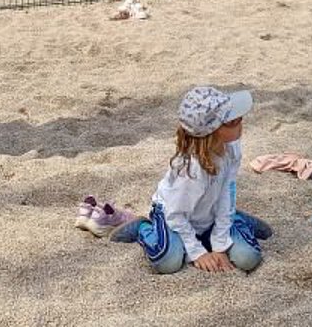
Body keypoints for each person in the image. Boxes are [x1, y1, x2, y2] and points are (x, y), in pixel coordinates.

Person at [111, 86, 271, 274]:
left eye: (239, 119)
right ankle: (143, 228)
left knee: (249, 258)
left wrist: (219, 245)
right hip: (174, 217)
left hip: (210, 214)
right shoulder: (190, 171)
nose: (241, 124)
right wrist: (197, 253)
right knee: (168, 262)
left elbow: (228, 191)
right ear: (212, 132)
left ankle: (236, 218)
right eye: (232, 122)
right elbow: (175, 215)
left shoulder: (231, 147)